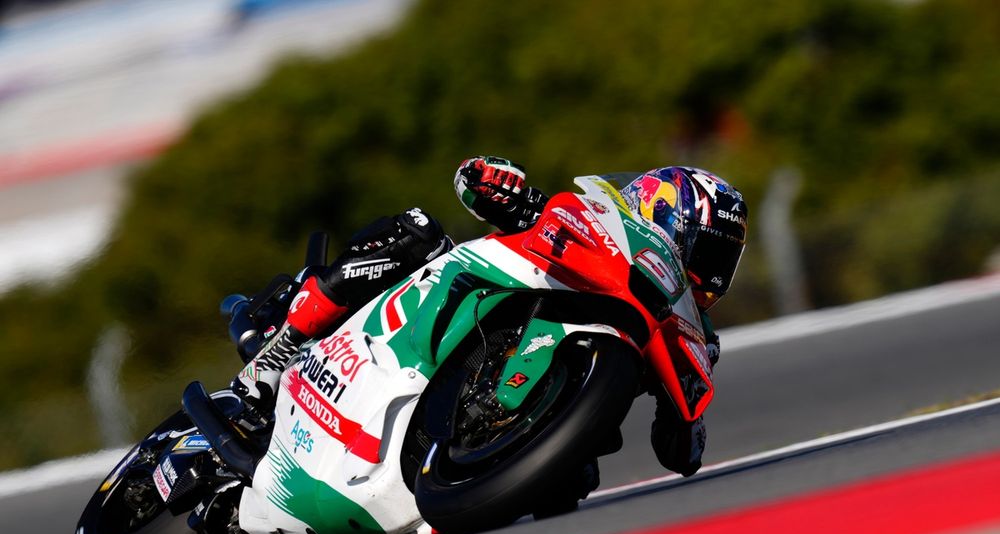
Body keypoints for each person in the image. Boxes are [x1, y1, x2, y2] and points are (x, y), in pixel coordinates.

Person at [232, 155, 747, 479]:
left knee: (575, 481)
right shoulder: (579, 226)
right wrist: (500, 183)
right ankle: (281, 346)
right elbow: (473, 179)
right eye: (705, 247)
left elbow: (680, 455)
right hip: (457, 315)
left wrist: (690, 419)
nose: (710, 268)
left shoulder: (694, 339)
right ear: (660, 215)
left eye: (722, 257)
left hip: (529, 433)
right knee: (416, 232)